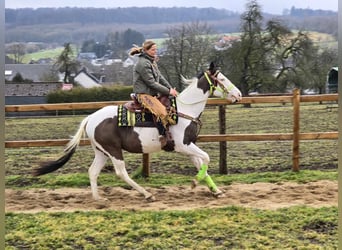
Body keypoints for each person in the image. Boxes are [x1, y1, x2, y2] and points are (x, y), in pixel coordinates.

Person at [130, 40, 178, 149]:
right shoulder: (142, 64)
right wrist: (168, 91)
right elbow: (151, 83)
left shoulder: (151, 62)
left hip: (151, 94)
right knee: (161, 112)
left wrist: (170, 89)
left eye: (156, 49)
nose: (155, 51)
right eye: (152, 50)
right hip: (143, 94)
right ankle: (162, 136)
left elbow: (160, 77)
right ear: (146, 50)